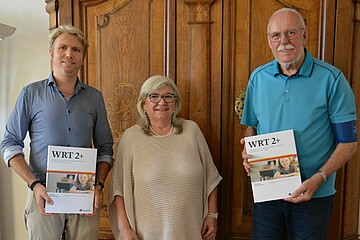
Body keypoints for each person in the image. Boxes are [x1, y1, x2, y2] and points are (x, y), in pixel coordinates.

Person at [240, 8, 358, 240]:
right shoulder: (258, 78)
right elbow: (250, 126)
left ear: (304, 36)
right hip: (268, 190)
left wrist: (318, 180)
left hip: (314, 195)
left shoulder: (332, 79)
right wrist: (247, 148)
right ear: (269, 41)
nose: (283, 41)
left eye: (291, 33)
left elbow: (348, 142)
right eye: (276, 35)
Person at [1, 25, 114, 240]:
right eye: (62, 48)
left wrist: (98, 186)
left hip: (84, 195)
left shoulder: (94, 98)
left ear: (83, 57)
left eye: (76, 50)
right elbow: (9, 144)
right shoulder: (30, 94)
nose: (69, 54)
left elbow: (106, 149)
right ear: (51, 53)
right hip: (43, 195)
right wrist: (34, 185)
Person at [108, 75, 222, 240]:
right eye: (154, 96)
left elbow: (211, 178)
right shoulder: (131, 138)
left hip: (190, 231)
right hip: (145, 235)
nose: (161, 102)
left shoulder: (192, 131)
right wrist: (124, 229)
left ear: (175, 103)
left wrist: (212, 215)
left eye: (168, 96)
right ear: (143, 104)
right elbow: (118, 189)